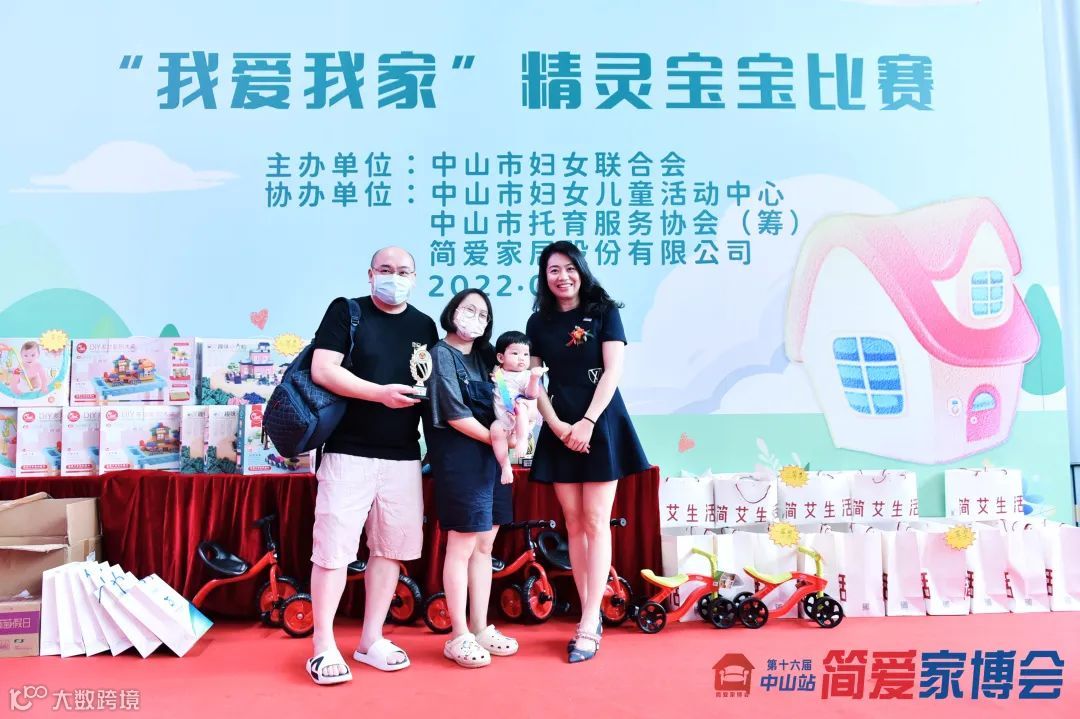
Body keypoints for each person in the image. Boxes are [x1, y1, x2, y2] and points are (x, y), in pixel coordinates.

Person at [305, 246, 438, 686]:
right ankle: (323, 645)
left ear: (414, 278)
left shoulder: (424, 326)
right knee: (333, 551)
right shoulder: (347, 312)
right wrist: (378, 393)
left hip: (403, 454)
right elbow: (323, 369)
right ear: (370, 274)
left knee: (390, 550)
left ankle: (371, 639)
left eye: (403, 271)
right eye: (385, 269)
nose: (393, 277)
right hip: (348, 451)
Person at [525, 240, 650, 664]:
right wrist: (557, 425)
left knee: (596, 521)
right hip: (559, 425)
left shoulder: (603, 311)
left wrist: (588, 422)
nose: (562, 276)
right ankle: (588, 612)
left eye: (569, 268)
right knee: (573, 523)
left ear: (581, 269)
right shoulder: (538, 322)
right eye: (553, 270)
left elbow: (613, 370)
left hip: (601, 421)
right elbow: (535, 383)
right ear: (544, 277)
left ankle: (588, 620)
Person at [424, 290, 518, 668]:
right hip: (460, 459)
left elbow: (509, 396)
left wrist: (516, 427)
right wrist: (498, 439)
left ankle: (480, 627)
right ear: (452, 311)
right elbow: (453, 414)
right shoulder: (439, 354)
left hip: (492, 461)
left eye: (483, 314)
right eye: (469, 310)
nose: (475, 318)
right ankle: (458, 634)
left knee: (485, 546)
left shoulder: (486, 356)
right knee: (461, 546)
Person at [488, 331, 546, 486]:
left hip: (521, 417)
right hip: (504, 419)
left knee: (520, 405)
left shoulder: (526, 375)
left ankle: (522, 440)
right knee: (495, 429)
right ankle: (505, 465)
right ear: (501, 357)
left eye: (526, 354)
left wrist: (534, 378)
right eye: (515, 353)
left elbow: (532, 394)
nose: (522, 358)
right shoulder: (499, 373)